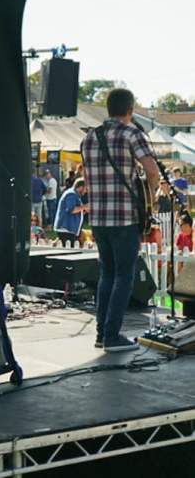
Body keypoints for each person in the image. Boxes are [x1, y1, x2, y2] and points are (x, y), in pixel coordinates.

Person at [81, 88, 159, 353]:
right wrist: (152, 195)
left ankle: (102, 333)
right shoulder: (131, 133)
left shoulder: (90, 137)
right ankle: (113, 336)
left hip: (99, 218)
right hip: (124, 217)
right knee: (124, 276)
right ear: (130, 109)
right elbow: (152, 171)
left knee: (107, 274)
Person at [53, 177, 88, 247]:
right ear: (81, 187)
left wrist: (84, 211)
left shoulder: (74, 194)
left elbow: (76, 211)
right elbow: (71, 210)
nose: (86, 191)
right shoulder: (71, 194)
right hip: (66, 229)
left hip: (69, 229)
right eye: (86, 189)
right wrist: (85, 206)